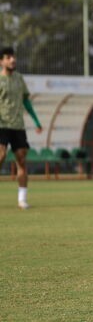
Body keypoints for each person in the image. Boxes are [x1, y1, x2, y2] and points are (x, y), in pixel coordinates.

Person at [0, 47, 43, 209]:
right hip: (1, 124)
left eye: (13, 57)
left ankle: (22, 199)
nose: (12, 60)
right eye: (8, 57)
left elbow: (26, 101)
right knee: (1, 155)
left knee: (22, 160)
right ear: (1, 61)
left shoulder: (19, 79)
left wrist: (36, 121)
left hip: (18, 125)